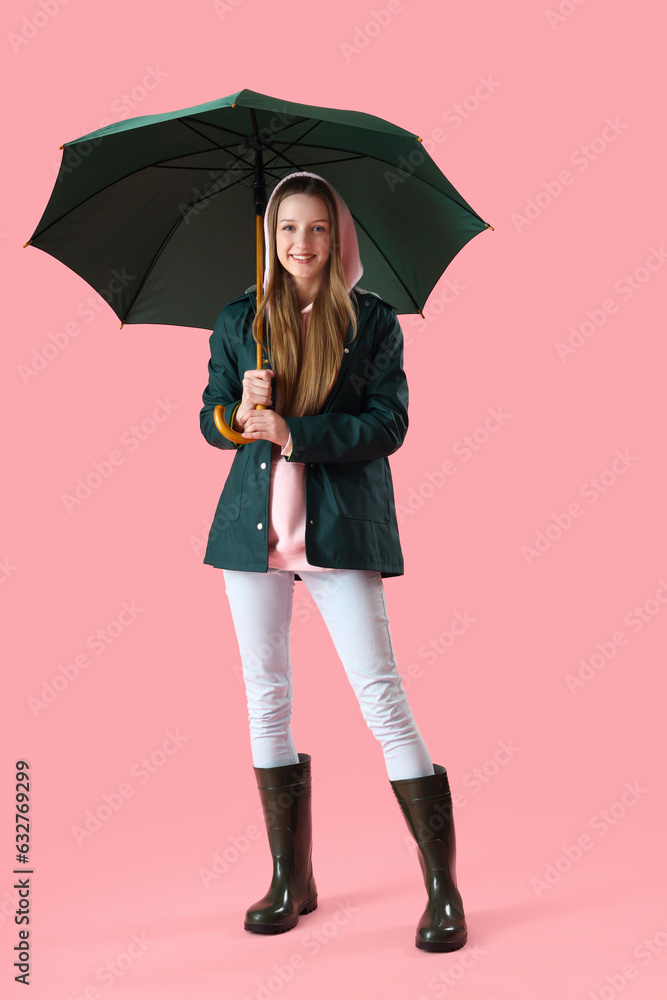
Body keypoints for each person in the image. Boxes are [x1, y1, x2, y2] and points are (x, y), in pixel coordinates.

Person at [199, 171, 467, 952]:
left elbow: (388, 426)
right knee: (265, 696)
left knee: (380, 695)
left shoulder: (373, 324)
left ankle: (443, 888)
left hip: (339, 531)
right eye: (287, 230)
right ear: (270, 238)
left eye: (316, 230)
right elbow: (209, 419)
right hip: (251, 536)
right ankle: (292, 881)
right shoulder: (238, 320)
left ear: (335, 237)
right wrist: (239, 413)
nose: (301, 245)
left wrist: (295, 433)